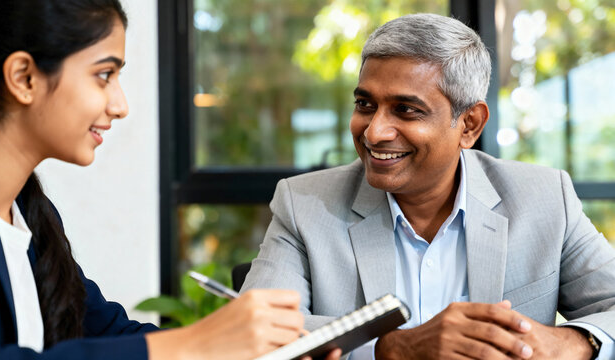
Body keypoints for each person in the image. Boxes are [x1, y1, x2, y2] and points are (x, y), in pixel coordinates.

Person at [241, 13, 615, 360]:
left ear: (469, 124)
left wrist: (575, 342)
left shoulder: (544, 197)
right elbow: (255, 335)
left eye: (406, 110)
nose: (374, 132)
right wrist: (393, 348)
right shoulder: (304, 203)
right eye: (365, 104)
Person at [0, 1, 343, 359]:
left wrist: (243, 349)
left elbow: (106, 331)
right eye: (104, 75)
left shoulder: (30, 215)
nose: (120, 105)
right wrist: (199, 344)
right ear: (23, 77)